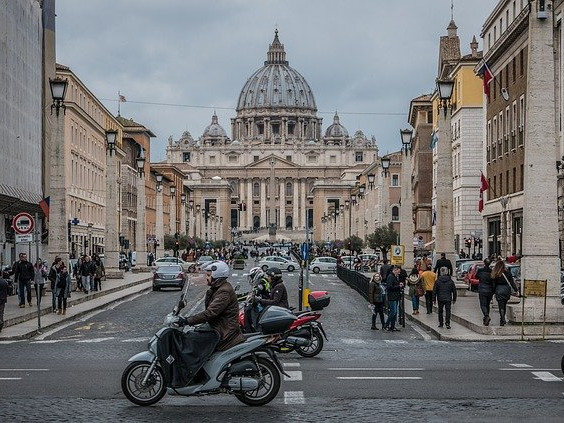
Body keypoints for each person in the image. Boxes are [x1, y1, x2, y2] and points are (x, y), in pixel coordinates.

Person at [182, 261, 245, 351]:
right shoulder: (218, 288)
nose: (206, 278)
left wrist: (187, 320)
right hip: (219, 326)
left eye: (208, 275)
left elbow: (210, 313)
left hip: (224, 332)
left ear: (216, 276)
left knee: (192, 340)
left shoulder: (224, 291)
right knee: (194, 334)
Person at [491, 260, 519, 326]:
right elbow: (512, 282)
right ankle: (503, 318)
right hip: (506, 290)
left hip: (499, 290)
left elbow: (493, 284)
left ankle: (502, 318)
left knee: (500, 305)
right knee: (504, 304)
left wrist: (493, 292)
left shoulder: (496, 274)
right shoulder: (508, 273)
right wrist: (516, 290)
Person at [244, 267, 270, 332]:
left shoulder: (262, 282)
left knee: (248, 310)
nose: (252, 278)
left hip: (264, 303)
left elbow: (257, 291)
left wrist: (251, 298)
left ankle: (252, 330)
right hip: (263, 302)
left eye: (252, 276)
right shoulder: (263, 280)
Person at [384, 266, 402, 332]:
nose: (399, 273)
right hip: (392, 296)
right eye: (398, 272)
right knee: (393, 312)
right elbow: (389, 286)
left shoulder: (394, 277)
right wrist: (398, 286)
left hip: (396, 296)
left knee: (395, 312)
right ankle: (386, 325)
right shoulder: (390, 277)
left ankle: (392, 326)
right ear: (395, 270)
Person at [477, 258, 494, 326]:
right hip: (489, 290)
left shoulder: (480, 270)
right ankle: (486, 318)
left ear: (484, 263)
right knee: (487, 304)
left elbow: (476, 276)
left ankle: (486, 316)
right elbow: (493, 281)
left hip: (482, 289)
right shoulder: (491, 271)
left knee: (483, 304)